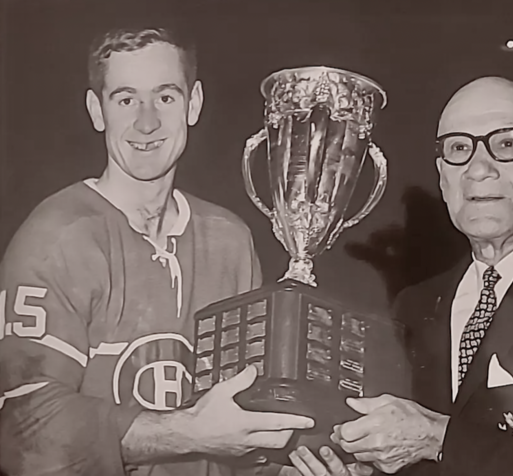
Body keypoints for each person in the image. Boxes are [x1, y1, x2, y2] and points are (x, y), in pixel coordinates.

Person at [285, 76, 513, 476]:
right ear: (442, 176)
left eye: (507, 144)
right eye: (459, 148)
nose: (479, 169)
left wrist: (439, 437)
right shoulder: (415, 305)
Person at [0, 27, 315, 476]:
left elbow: (240, 431)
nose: (146, 123)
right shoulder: (56, 236)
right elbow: (26, 431)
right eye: (125, 99)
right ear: (96, 110)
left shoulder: (230, 239)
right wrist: (188, 431)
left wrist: (294, 466)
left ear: (194, 104)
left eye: (165, 97)